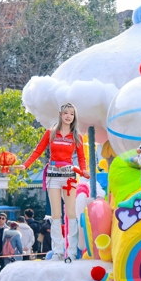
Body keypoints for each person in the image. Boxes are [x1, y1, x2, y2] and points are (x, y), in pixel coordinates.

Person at [15, 103, 89, 261]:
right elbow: (38, 150)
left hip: (69, 176)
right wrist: (25, 165)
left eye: (71, 114)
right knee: (56, 215)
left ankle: (72, 251)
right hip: (52, 175)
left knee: (71, 214)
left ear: (74, 117)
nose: (68, 116)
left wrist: (84, 170)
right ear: (60, 114)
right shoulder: (50, 132)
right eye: (66, 113)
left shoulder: (77, 136)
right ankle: (57, 251)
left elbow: (81, 157)